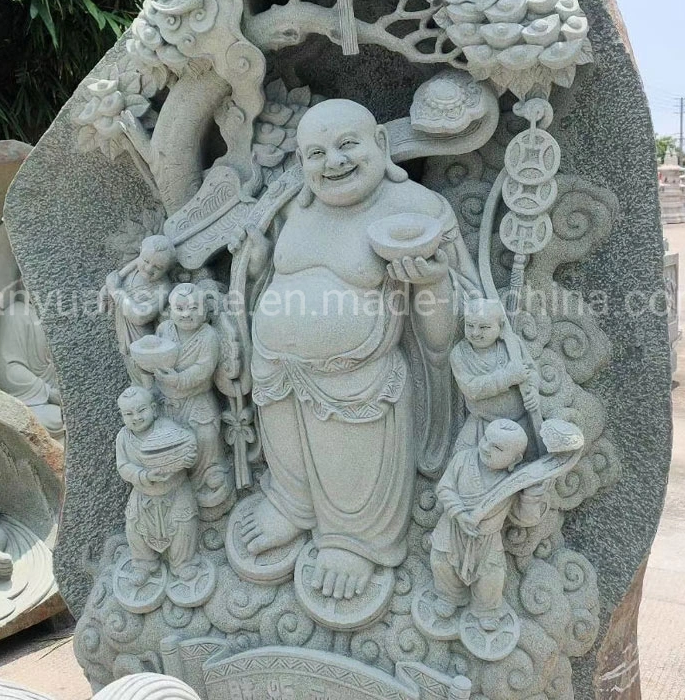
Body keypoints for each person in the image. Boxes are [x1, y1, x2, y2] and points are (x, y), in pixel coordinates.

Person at [232, 99, 480, 601]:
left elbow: (450, 332)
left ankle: (355, 539)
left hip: (358, 379)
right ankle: (291, 503)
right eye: (316, 153)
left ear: (381, 146)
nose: (334, 162)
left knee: (347, 453)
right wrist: (257, 265)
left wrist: (431, 283)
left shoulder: (418, 212)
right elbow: (277, 282)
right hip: (278, 372)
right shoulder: (295, 209)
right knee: (288, 450)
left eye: (348, 145)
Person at [429, 419, 547, 629]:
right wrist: (459, 512)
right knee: (441, 561)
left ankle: (486, 609)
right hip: (453, 526)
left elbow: (525, 519)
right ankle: (449, 596)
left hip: (487, 537)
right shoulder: (463, 460)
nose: (486, 448)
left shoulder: (513, 482)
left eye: (497, 448)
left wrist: (531, 497)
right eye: (485, 439)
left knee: (492, 575)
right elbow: (444, 489)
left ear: (515, 459)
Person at [153, 283, 234, 516]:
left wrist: (179, 380)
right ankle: (178, 483)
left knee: (206, 437)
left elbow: (203, 369)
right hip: (168, 400)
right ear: (170, 310)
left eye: (194, 307)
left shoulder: (208, 336)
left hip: (198, 399)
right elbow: (153, 354)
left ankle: (210, 475)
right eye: (180, 308)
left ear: (205, 310)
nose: (187, 314)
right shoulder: (164, 330)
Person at [116, 386, 200, 585]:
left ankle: (182, 563)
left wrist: (186, 458)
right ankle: (144, 564)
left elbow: (188, 445)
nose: (136, 417)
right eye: (129, 414)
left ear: (154, 409)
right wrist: (144, 475)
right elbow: (123, 466)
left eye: (141, 410)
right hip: (143, 494)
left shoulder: (167, 428)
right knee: (134, 527)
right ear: (122, 416)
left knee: (183, 524)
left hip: (176, 489)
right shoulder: (124, 438)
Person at [450, 297, 540, 454]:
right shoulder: (459, 354)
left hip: (519, 422)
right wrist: (506, 377)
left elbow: (530, 370)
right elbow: (472, 389)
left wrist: (532, 390)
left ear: (501, 326)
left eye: (484, 327)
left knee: (525, 462)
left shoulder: (512, 345)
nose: (475, 332)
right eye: (470, 325)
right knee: (461, 459)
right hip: (482, 424)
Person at [0, 294, 64, 438]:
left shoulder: (62, 317)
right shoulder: (17, 314)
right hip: (32, 402)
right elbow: (7, 370)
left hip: (60, 401)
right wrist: (48, 392)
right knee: (52, 420)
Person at [105, 236, 175, 383]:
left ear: (167, 269)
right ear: (140, 253)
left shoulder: (163, 287)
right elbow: (116, 276)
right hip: (124, 330)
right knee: (131, 366)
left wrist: (115, 291)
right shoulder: (136, 266)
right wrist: (106, 288)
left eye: (158, 267)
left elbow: (140, 316)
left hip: (142, 337)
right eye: (146, 261)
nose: (149, 269)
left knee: (146, 372)